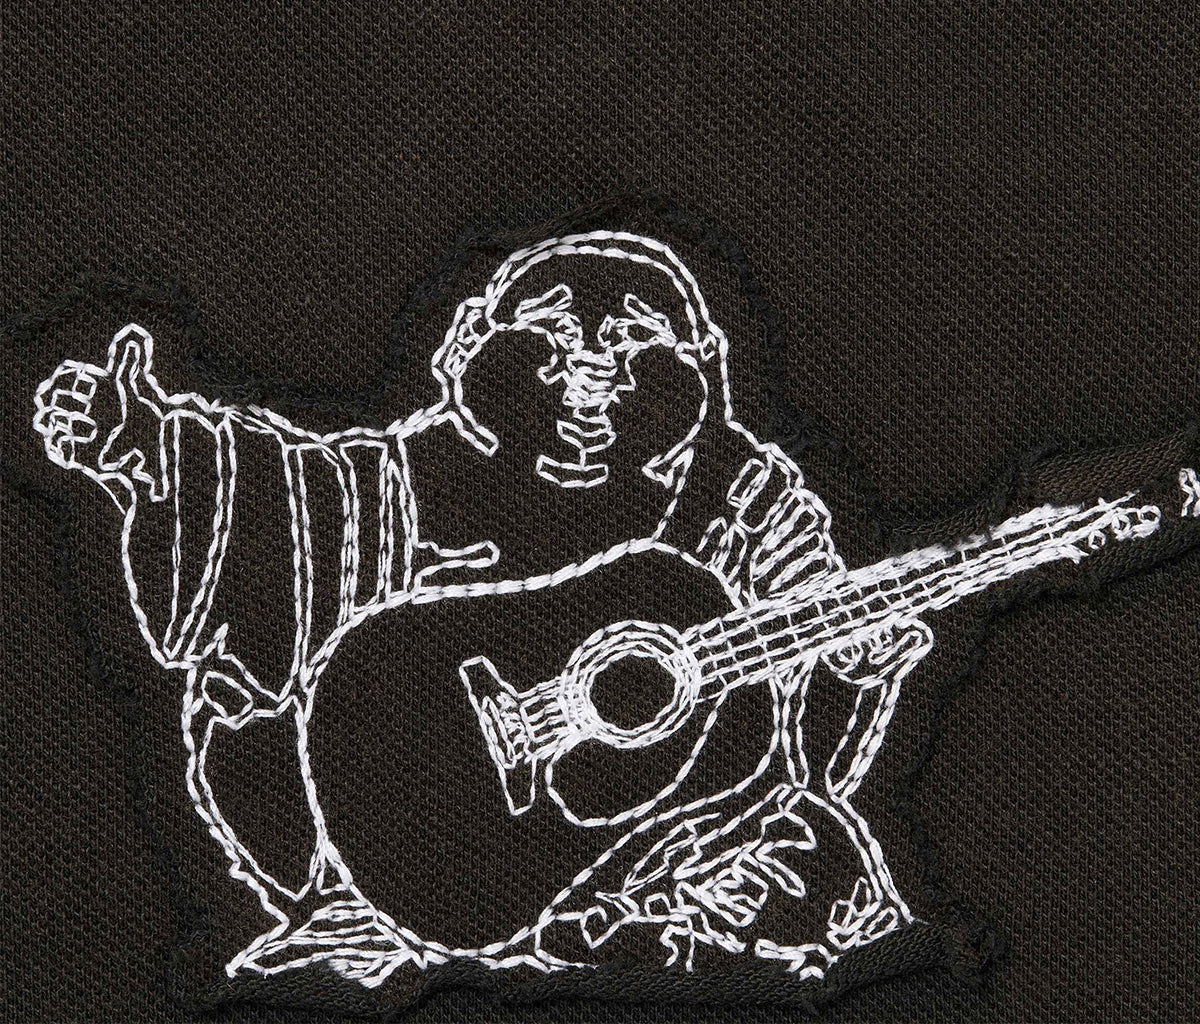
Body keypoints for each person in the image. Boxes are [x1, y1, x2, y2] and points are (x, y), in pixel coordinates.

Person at [32, 231, 918, 983]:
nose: (590, 373)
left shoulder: (740, 499)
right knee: (246, 704)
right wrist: (144, 447)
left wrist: (853, 666)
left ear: (706, 373)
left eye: (636, 345)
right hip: (395, 843)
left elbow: (804, 678)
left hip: (659, 847)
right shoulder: (416, 478)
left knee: (819, 869)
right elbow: (283, 512)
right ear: (465, 348)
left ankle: (625, 927)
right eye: (552, 334)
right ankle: (353, 913)